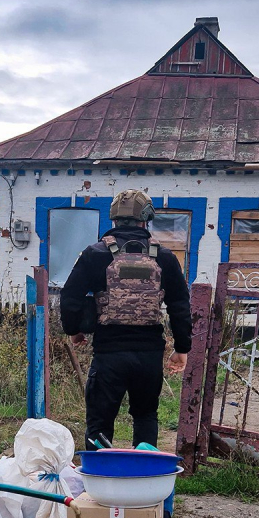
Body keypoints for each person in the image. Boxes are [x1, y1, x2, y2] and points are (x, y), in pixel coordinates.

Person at [60, 188, 192, 450]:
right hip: (149, 356)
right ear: (147, 219)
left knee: (99, 422)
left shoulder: (95, 253)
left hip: (108, 354)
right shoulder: (164, 257)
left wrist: (74, 330)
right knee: (145, 415)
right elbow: (179, 304)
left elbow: (70, 297)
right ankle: (143, 481)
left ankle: (99, 482)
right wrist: (181, 348)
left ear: (114, 219)